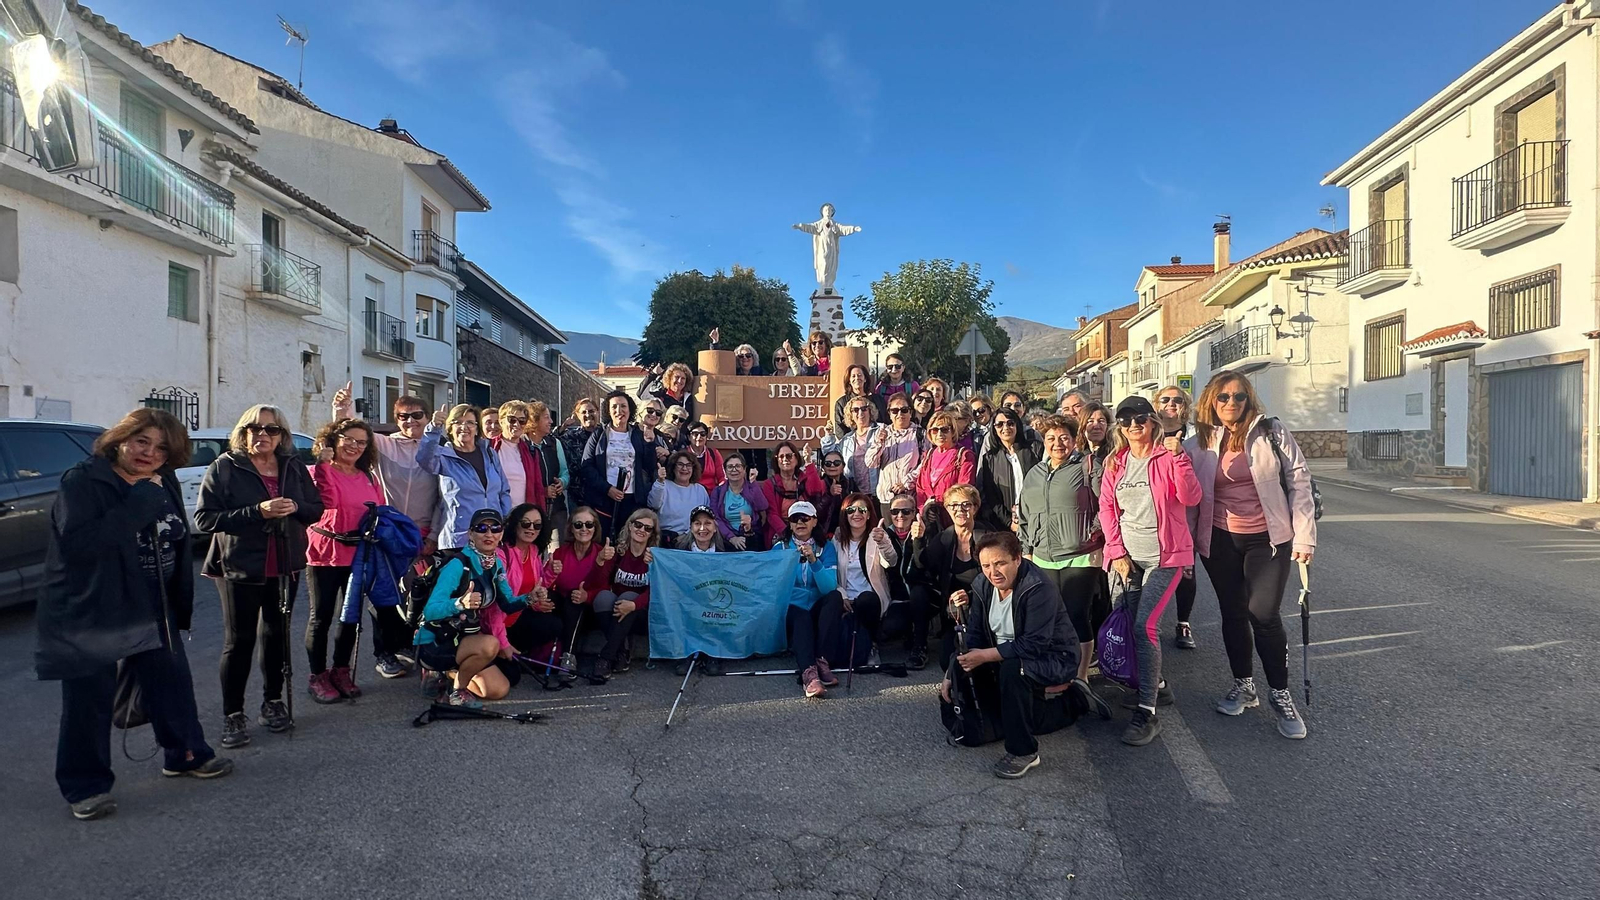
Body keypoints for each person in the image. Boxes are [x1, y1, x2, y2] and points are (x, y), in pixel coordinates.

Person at [39, 409, 230, 820]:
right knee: (89, 697)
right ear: (121, 438)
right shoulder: (84, 481)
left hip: (153, 599)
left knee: (171, 681)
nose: (150, 453)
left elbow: (176, 536)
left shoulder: (162, 479)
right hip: (94, 603)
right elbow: (78, 547)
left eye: (162, 448)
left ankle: (185, 754)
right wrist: (137, 505)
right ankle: (86, 786)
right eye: (142, 441)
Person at [1187, 373, 1316, 739]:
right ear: (1211, 401)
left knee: (1263, 614)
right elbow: (1188, 498)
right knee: (1232, 612)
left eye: (1239, 396)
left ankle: (1280, 693)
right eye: (1223, 397)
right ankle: (1244, 685)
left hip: (1269, 539)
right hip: (1219, 540)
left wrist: (1305, 537)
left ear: (1248, 400)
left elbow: (1300, 482)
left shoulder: (1271, 432)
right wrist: (1184, 549)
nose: (1231, 402)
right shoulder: (1198, 443)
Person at [196, 405, 323, 748]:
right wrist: (257, 512)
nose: (262, 434)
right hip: (240, 565)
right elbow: (205, 519)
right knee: (239, 641)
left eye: (271, 429)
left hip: (284, 562)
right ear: (243, 432)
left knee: (276, 635)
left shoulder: (292, 466)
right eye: (255, 428)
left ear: (282, 435)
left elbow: (315, 508)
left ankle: (272, 701)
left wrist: (296, 507)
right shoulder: (225, 466)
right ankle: (233, 714)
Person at [1099, 396, 1202, 748]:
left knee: (1145, 626)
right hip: (1127, 558)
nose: (1133, 425)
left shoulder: (1167, 456)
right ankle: (1156, 685)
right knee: (1129, 623)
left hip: (1166, 557)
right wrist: (1116, 551)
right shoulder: (1116, 462)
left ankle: (1147, 711)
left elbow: (1191, 497)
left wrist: (1179, 456)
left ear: (1152, 422)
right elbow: (1107, 508)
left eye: (1140, 418)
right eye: (1125, 419)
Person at [941, 532, 1084, 780]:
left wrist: (984, 656)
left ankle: (1024, 752)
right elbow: (975, 635)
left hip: (1052, 656)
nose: (993, 572)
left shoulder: (1039, 587)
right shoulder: (982, 584)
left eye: (1000, 563)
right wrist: (952, 670)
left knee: (1012, 670)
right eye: (986, 565)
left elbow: (1034, 645)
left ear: (1017, 559)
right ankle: (1010, 717)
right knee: (957, 657)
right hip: (1006, 654)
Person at [332, 385, 441, 669]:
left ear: (427, 417)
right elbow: (351, 434)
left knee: (417, 594)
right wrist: (342, 410)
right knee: (383, 595)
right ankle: (385, 653)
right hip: (388, 533)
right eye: (403, 416)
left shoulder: (437, 448)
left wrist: (435, 534)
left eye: (416, 415)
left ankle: (409, 644)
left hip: (423, 533)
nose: (410, 421)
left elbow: (444, 498)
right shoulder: (384, 445)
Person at [1015, 415, 1107, 714]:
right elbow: (1025, 513)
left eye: (1064, 437)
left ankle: (1080, 676)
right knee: (1052, 617)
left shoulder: (1087, 466)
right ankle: (1058, 672)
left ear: (1074, 439)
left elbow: (1106, 503)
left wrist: (1094, 531)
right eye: (1051, 438)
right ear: (1044, 441)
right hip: (1043, 555)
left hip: (1081, 554)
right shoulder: (1035, 473)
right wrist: (1027, 548)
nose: (1058, 443)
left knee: (1076, 614)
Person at [304, 417, 387, 703]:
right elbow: (329, 502)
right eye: (348, 439)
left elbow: (380, 512)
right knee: (321, 617)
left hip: (358, 553)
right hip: (325, 553)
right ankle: (318, 675)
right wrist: (323, 464)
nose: (354, 446)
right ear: (333, 440)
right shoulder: (317, 471)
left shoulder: (368, 477)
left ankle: (341, 670)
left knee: (350, 616)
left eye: (361, 442)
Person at [414, 509, 532, 707]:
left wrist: (530, 598)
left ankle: (450, 675)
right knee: (491, 644)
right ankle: (457, 691)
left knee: (498, 690)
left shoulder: (494, 564)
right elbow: (430, 610)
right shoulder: (457, 565)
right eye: (481, 528)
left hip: (466, 638)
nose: (489, 534)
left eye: (495, 528)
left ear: (501, 533)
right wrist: (460, 603)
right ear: (470, 533)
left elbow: (507, 604)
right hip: (438, 641)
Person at [911, 483, 987, 669]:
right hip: (951, 609)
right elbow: (922, 566)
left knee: (966, 661)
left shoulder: (987, 537)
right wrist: (918, 539)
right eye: (953, 505)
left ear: (975, 508)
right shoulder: (945, 537)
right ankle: (919, 647)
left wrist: (970, 596)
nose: (959, 510)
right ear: (947, 509)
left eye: (966, 504)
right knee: (947, 662)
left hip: (980, 604)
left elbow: (997, 580)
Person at [417, 404, 513, 549]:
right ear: (450, 428)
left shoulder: (489, 453)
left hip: (491, 537)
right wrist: (434, 428)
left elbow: (503, 491)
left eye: (470, 423)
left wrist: (504, 522)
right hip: (459, 539)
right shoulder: (443, 457)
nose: (464, 427)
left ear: (477, 428)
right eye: (458, 422)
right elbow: (424, 459)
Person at [773, 501, 843, 698]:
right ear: (789, 523)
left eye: (805, 518)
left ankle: (822, 660)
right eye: (795, 519)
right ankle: (809, 675)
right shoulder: (779, 548)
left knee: (835, 597)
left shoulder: (826, 547)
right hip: (791, 609)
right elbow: (773, 586)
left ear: (814, 522)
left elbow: (829, 587)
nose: (800, 523)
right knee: (801, 616)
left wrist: (814, 561)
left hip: (816, 605)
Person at [583, 507, 658, 680]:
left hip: (641, 611)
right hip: (617, 610)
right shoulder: (618, 552)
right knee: (602, 598)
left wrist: (634, 605)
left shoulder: (654, 557)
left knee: (628, 596)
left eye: (647, 528)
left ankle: (606, 657)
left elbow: (656, 590)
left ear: (652, 534)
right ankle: (620, 650)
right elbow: (595, 584)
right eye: (638, 525)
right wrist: (600, 560)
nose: (641, 530)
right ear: (630, 526)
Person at [833, 494, 905, 667]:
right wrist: (842, 594)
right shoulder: (837, 539)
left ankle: (872, 645)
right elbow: (830, 572)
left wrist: (883, 543)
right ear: (845, 514)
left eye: (862, 509)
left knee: (866, 599)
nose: (856, 513)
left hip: (870, 599)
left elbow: (891, 562)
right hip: (846, 598)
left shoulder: (877, 535)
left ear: (868, 514)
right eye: (851, 510)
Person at [495, 503, 562, 680]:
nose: (531, 528)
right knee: (512, 678)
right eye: (526, 523)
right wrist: (502, 642)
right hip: (498, 622)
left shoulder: (533, 551)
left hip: (517, 617)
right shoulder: (501, 553)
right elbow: (496, 605)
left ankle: (520, 653)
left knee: (554, 623)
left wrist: (551, 572)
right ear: (515, 524)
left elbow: (537, 586)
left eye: (537, 525)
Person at [1154, 386, 1199, 650]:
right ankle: (1152, 623)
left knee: (1187, 573)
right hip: (1157, 513)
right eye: (1165, 399)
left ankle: (1183, 622)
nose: (1171, 403)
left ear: (1186, 404)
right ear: (1156, 404)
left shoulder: (1196, 436)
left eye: (1178, 400)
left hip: (1188, 513)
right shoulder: (1149, 432)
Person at [579, 391, 655, 542]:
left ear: (630, 409)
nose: (619, 411)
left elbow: (649, 466)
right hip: (605, 499)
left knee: (628, 543)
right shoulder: (599, 434)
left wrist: (649, 444)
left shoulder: (638, 434)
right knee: (604, 542)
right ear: (608, 411)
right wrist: (608, 489)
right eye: (614, 407)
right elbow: (586, 466)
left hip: (632, 499)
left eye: (623, 406)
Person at [549, 507, 604, 681]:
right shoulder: (561, 552)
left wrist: (588, 596)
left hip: (589, 610)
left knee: (575, 599)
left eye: (589, 524)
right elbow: (549, 584)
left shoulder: (602, 553)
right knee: (552, 597)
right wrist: (550, 572)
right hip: (564, 605)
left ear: (595, 528)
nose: (584, 529)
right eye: (578, 525)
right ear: (571, 528)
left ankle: (569, 656)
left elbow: (608, 588)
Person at [976, 407, 1041, 533]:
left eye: (1010, 423)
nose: (1005, 428)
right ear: (994, 429)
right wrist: (1008, 522)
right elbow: (991, 496)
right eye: (999, 424)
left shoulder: (1034, 449)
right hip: (1004, 525)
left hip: (1035, 520)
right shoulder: (989, 459)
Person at [760, 441, 826, 548]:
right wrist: (788, 534)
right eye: (781, 456)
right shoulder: (769, 484)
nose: (785, 459)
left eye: (789, 456)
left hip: (805, 527)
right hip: (781, 531)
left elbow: (816, 490)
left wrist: (808, 462)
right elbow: (772, 514)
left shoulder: (803, 479)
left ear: (796, 458)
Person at [525, 400, 571, 548]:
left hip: (556, 509)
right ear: (534, 420)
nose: (551, 421)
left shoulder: (554, 443)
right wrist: (542, 491)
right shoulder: (523, 446)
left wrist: (562, 482)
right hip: (531, 512)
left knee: (557, 553)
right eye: (546, 417)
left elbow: (565, 471)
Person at [867, 393, 922, 507]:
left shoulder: (921, 434)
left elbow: (925, 464)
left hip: (910, 496)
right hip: (887, 497)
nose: (900, 414)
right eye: (895, 411)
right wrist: (879, 443)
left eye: (904, 410)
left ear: (911, 412)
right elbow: (870, 463)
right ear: (889, 414)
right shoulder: (882, 433)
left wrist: (906, 483)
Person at [488, 400, 543, 512]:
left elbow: (538, 489)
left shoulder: (531, 451)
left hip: (522, 515)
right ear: (501, 421)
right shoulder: (488, 447)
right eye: (512, 420)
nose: (517, 425)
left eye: (522, 421)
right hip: (495, 514)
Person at [915, 412, 976, 508]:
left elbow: (964, 489)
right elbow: (920, 488)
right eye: (935, 430)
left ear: (953, 432)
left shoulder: (964, 456)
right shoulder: (928, 455)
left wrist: (938, 502)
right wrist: (924, 509)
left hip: (951, 511)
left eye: (944, 430)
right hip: (928, 513)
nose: (939, 434)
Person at [650, 450, 711, 545]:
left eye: (688, 465)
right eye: (680, 464)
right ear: (673, 468)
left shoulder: (700, 490)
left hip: (693, 538)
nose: (684, 468)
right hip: (666, 538)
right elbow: (653, 504)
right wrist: (660, 481)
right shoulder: (663, 485)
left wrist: (687, 535)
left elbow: (706, 517)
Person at [710, 452, 768, 550]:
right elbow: (715, 518)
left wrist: (753, 483)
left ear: (744, 469)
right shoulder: (718, 492)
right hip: (727, 538)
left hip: (751, 534)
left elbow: (762, 506)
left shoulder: (751, 487)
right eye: (730, 467)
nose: (734, 469)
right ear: (725, 471)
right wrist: (731, 538)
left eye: (738, 466)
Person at [834, 397, 883, 501]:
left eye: (864, 409)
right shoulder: (846, 439)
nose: (860, 413)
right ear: (851, 415)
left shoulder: (882, 431)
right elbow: (832, 457)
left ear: (870, 411)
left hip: (878, 494)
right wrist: (828, 437)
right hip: (855, 495)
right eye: (855, 410)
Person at [560, 398, 603, 510]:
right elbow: (549, 440)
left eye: (591, 411)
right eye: (584, 412)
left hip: (602, 496)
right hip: (577, 496)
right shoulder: (571, 436)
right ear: (578, 415)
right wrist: (562, 427)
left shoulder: (606, 434)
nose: (588, 415)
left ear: (598, 412)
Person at [831, 364, 886, 438]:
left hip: (876, 440)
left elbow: (885, 422)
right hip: (851, 442)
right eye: (853, 376)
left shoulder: (878, 400)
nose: (857, 378)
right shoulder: (841, 403)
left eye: (859, 375)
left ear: (865, 379)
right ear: (849, 381)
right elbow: (840, 431)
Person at [813, 448, 855, 538]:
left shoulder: (849, 484)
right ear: (823, 467)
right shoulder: (818, 484)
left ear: (843, 466)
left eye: (836, 463)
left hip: (847, 532)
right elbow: (815, 513)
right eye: (828, 463)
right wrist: (829, 495)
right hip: (824, 533)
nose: (832, 466)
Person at [684, 422, 725, 491]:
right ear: (689, 437)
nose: (699, 437)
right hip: (689, 493)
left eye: (702, 434)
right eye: (695, 434)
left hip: (711, 494)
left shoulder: (714, 453)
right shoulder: (683, 454)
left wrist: (720, 490)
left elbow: (722, 476)